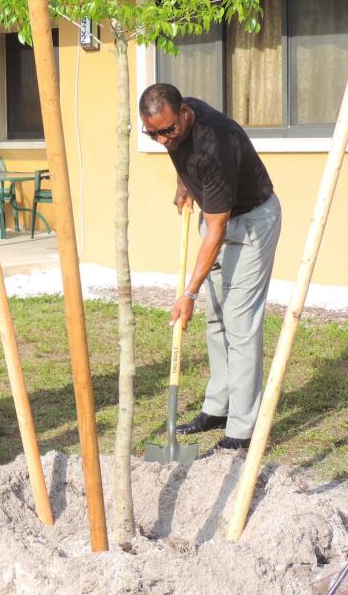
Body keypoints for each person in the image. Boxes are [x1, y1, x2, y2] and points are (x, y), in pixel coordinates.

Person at [139, 83, 282, 450]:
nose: (162, 139)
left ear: (184, 112)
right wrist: (184, 183)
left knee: (239, 322)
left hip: (250, 223)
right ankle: (218, 407)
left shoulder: (214, 146)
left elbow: (217, 229)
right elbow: (181, 154)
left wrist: (188, 292)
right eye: (152, 133)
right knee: (215, 317)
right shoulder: (177, 125)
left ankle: (242, 428)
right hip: (217, 218)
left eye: (167, 130)